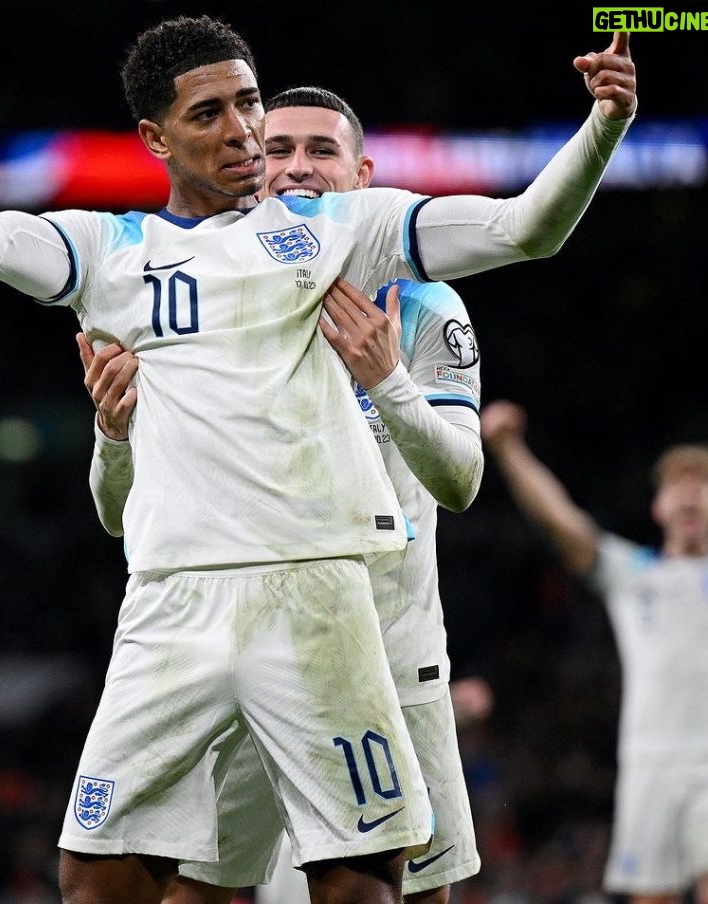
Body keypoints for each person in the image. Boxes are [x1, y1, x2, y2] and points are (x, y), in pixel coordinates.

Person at [0, 13, 635, 903]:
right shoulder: (113, 252)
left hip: (315, 590)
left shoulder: (339, 227)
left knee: (362, 877)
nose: (242, 132)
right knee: (97, 874)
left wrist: (603, 124)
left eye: (249, 103)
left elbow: (522, 228)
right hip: (171, 599)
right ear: (154, 137)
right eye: (209, 114)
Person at [80, 85, 490, 904]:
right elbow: (115, 512)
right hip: (251, 643)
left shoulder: (425, 305)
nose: (297, 167)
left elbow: (461, 480)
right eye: (278, 150)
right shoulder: (187, 299)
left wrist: (387, 380)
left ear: (364, 174)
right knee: (196, 889)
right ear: (252, 170)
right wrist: (112, 433)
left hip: (391, 651)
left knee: (409, 895)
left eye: (322, 151)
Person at [480, 399, 708, 904]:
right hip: (647, 764)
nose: (689, 494)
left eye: (702, 486)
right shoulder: (633, 573)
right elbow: (563, 523)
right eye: (677, 486)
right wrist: (509, 449)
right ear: (659, 507)